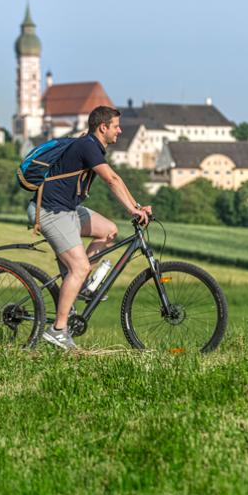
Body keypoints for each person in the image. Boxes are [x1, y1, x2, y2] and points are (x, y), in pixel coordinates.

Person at [28, 105, 152, 350]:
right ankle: (58, 330)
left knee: (109, 230)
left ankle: (81, 287)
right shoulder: (87, 145)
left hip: (68, 210)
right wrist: (133, 210)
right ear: (102, 127)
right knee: (80, 266)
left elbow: (116, 177)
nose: (120, 131)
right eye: (116, 126)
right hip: (50, 211)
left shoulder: (91, 146)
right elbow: (111, 179)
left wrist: (136, 205)